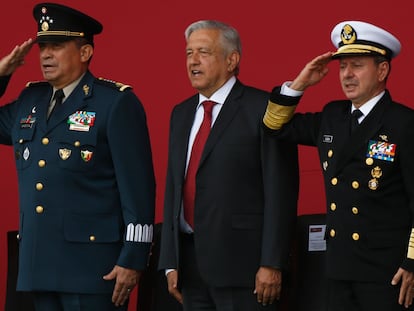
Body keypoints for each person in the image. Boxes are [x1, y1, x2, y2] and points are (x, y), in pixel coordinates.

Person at [0, 2, 155, 310]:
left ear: (85, 53)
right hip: (38, 265)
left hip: (94, 268)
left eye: (56, 46)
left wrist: (134, 258)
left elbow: (139, 188)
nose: (45, 55)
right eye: (43, 46)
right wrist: (1, 74)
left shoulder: (115, 103)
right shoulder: (30, 99)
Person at [263, 20, 414, 311]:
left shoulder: (403, 123)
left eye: (357, 65)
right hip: (338, 267)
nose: (347, 75)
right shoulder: (333, 115)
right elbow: (274, 126)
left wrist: (411, 263)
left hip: (388, 272)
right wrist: (301, 83)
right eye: (342, 67)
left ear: (382, 70)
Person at [158, 20, 299, 311]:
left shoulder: (263, 109)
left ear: (232, 60)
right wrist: (170, 261)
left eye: (204, 52)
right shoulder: (181, 113)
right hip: (190, 267)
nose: (193, 61)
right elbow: (174, 187)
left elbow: (280, 191)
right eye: (188, 53)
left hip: (245, 270)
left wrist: (272, 263)